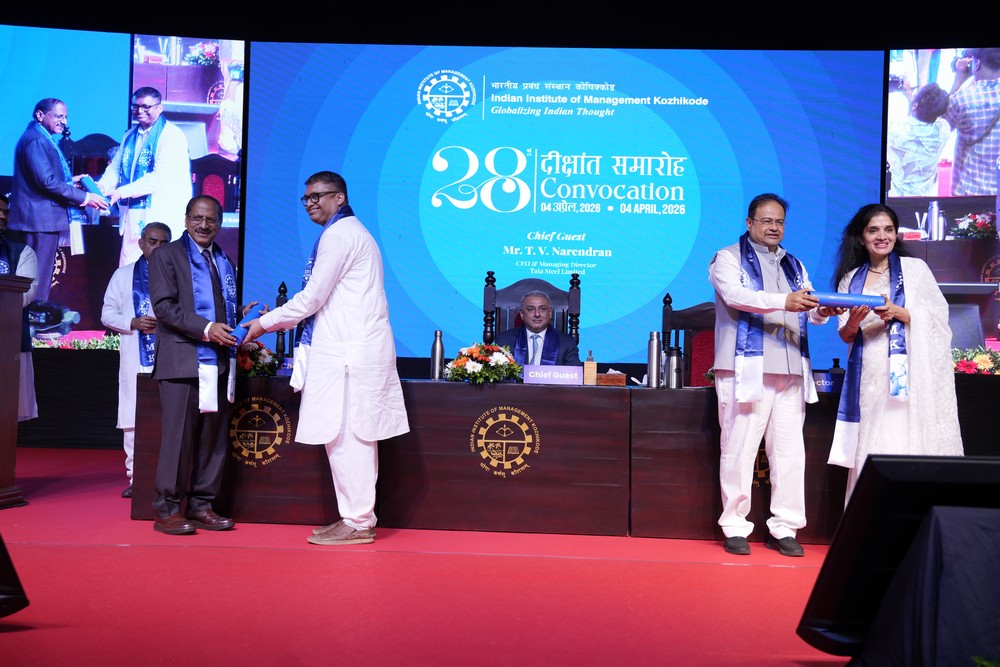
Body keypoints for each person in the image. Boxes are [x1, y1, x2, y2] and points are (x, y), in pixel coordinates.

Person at [243, 171, 409, 546]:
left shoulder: (341, 235)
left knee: (352, 437)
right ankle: (353, 517)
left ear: (340, 197)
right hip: (347, 350)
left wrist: (264, 324)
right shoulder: (343, 232)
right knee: (343, 437)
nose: (311, 203)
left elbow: (311, 298)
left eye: (318, 196)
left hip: (351, 353)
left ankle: (359, 521)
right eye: (306, 198)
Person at [708, 193, 841, 558]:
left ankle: (785, 527)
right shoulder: (727, 258)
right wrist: (785, 301)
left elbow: (809, 311)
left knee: (789, 453)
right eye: (766, 221)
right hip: (746, 369)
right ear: (749, 223)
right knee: (739, 449)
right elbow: (736, 296)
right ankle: (735, 526)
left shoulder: (794, 264)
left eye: (779, 222)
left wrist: (823, 310)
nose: (773, 227)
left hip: (790, 371)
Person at [828, 203, 963, 503]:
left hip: (910, 374)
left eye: (888, 229)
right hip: (870, 374)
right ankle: (872, 517)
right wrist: (854, 322)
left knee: (906, 436)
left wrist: (901, 312)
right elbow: (846, 335)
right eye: (873, 230)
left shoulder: (915, 270)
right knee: (874, 442)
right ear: (861, 237)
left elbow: (939, 317)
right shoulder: (850, 279)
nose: (882, 236)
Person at [147, 195, 238, 535]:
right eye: (197, 218)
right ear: (186, 220)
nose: (204, 225)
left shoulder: (222, 259)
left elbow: (218, 307)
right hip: (182, 362)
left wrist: (239, 317)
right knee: (178, 440)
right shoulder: (167, 255)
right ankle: (167, 509)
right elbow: (164, 307)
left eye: (211, 219)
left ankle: (202, 506)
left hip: (217, 363)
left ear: (220, 224)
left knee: (212, 441)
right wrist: (207, 328)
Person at [7, 98, 108, 303]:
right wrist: (86, 197)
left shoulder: (39, 137)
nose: (64, 121)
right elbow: (47, 182)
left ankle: (32, 316)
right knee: (37, 280)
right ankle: (33, 317)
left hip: (39, 219)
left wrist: (71, 182)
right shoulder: (36, 140)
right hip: (39, 221)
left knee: (37, 277)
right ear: (40, 115)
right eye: (58, 116)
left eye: (66, 117)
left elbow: (44, 178)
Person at [101, 222, 172, 499]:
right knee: (133, 416)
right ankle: (136, 477)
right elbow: (107, 313)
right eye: (153, 241)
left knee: (170, 417)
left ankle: (169, 478)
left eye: (164, 242)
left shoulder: (178, 276)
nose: (158, 247)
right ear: (141, 243)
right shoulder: (123, 275)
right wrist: (132, 321)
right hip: (135, 354)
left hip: (170, 354)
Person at [98, 86, 192, 267]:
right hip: (133, 216)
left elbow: (158, 178)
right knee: (128, 269)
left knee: (159, 270)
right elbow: (115, 169)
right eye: (135, 106)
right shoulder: (130, 136)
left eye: (146, 107)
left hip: (160, 212)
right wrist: (101, 187)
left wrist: (120, 192)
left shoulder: (172, 136)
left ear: (159, 108)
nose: (139, 111)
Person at [0, 194, 39, 421]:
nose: (2, 216)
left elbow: (25, 295)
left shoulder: (22, 252)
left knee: (7, 412)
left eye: (5, 212)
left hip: (10, 342)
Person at [945, 48, 1000, 196]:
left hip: (968, 193)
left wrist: (959, 80)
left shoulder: (962, 98)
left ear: (977, 64)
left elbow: (938, 129)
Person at [886, 82, 951, 197]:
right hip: (926, 198)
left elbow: (910, 124)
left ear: (915, 105)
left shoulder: (893, 129)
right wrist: (914, 101)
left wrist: (911, 100)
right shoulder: (943, 130)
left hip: (895, 197)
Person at [493, 290, 582, 366]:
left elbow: (574, 376)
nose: (537, 314)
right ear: (522, 314)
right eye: (531, 309)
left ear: (550, 313)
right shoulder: (504, 340)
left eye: (542, 309)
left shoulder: (567, 343)